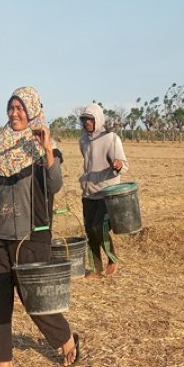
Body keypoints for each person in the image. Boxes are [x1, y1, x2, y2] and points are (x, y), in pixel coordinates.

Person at [0, 86, 81, 367]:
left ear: (32, 110)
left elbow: (55, 184)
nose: (14, 114)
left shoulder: (43, 149)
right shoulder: (1, 147)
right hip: (1, 234)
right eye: (10, 108)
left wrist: (47, 150)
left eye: (20, 108)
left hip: (31, 235)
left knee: (34, 299)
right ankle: (4, 361)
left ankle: (66, 340)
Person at [78, 103, 129, 278]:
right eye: (84, 120)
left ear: (98, 120)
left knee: (98, 227)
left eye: (90, 119)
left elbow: (124, 165)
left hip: (107, 193)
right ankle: (95, 267)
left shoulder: (111, 139)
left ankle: (112, 259)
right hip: (88, 193)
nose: (87, 123)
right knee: (89, 230)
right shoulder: (83, 140)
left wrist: (118, 164)